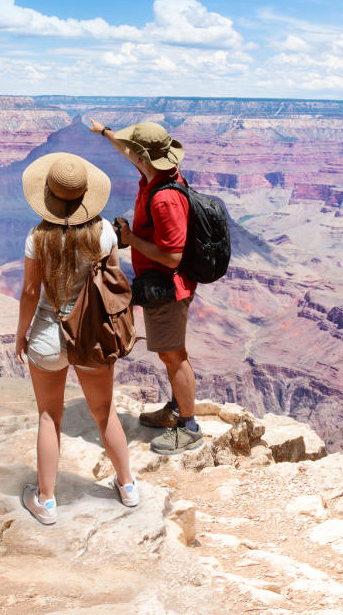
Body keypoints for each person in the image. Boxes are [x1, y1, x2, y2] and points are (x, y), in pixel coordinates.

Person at [15, 151, 139, 525]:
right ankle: (128, 486)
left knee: (49, 416)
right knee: (104, 413)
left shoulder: (37, 237)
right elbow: (111, 285)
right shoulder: (104, 233)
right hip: (92, 336)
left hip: (47, 335)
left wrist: (20, 336)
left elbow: (30, 292)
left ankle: (47, 501)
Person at [90, 119, 203, 455]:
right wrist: (106, 132)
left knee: (173, 356)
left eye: (136, 152)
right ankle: (175, 408)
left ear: (145, 157)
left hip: (169, 288)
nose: (132, 156)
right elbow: (129, 152)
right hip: (159, 285)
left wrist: (130, 239)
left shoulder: (163, 199)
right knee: (170, 353)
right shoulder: (158, 175)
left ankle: (188, 426)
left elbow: (172, 256)